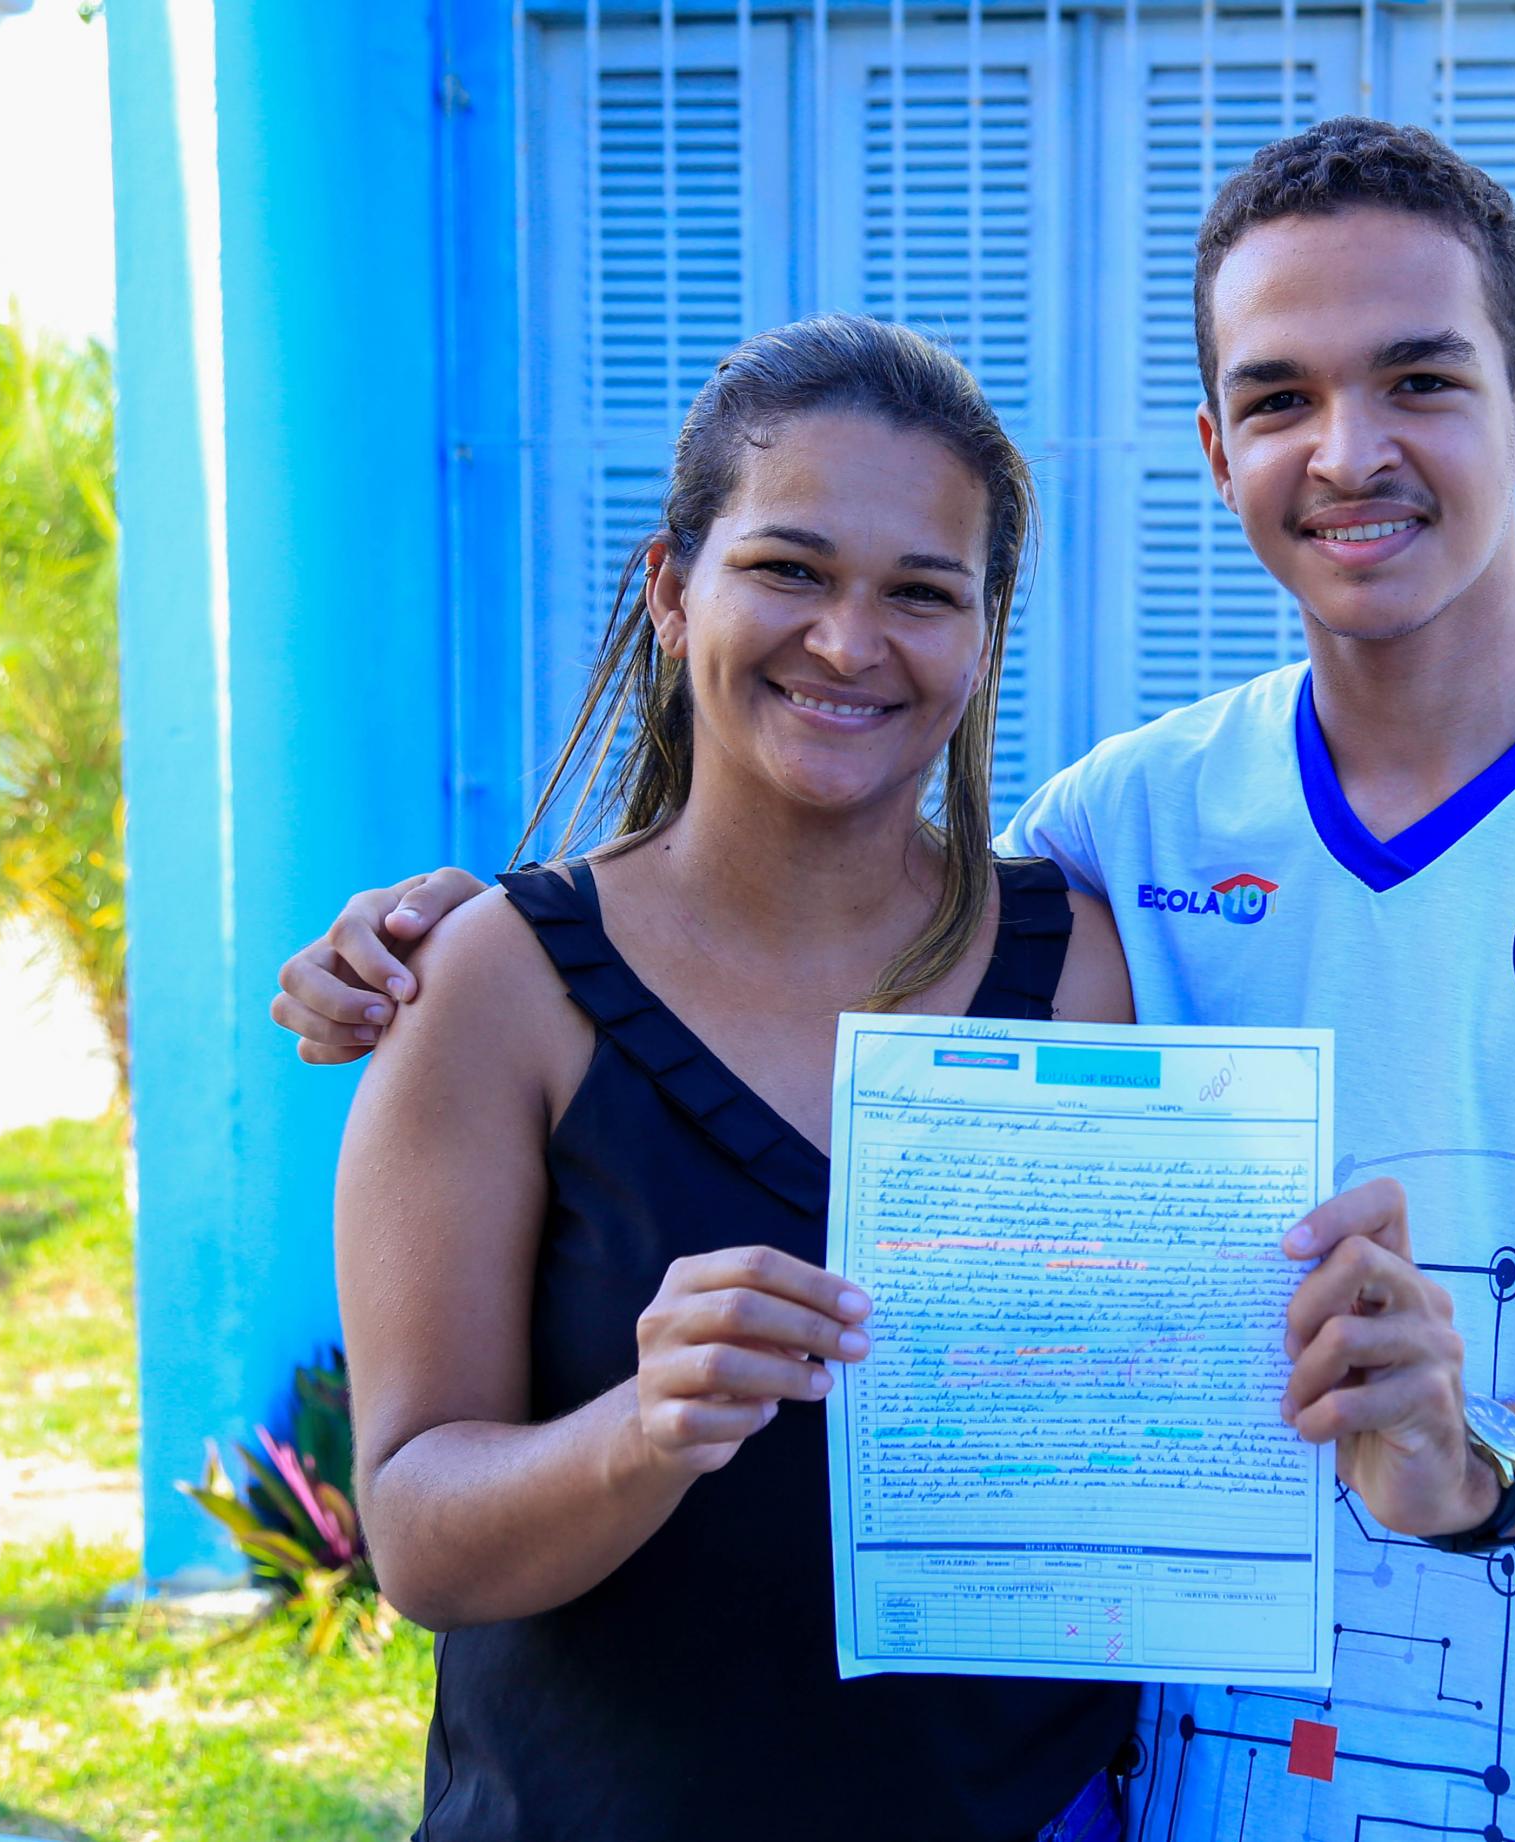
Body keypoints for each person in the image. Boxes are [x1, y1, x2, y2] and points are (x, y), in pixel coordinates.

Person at [282, 121, 1515, 1841]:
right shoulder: (1117, 835)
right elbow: (792, 906)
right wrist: (460, 946)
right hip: (1182, 1795)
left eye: (1419, 380)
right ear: (1218, 448)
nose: (1348, 449)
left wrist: (1480, 1459)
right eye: (1279, 397)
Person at [329, 314, 1139, 1840]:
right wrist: (645, 1429)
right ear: (670, 586)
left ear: (985, 634)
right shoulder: (497, 987)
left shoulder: (1082, 967)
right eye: (790, 568)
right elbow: (420, 1536)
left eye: (922, 592)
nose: (849, 640)